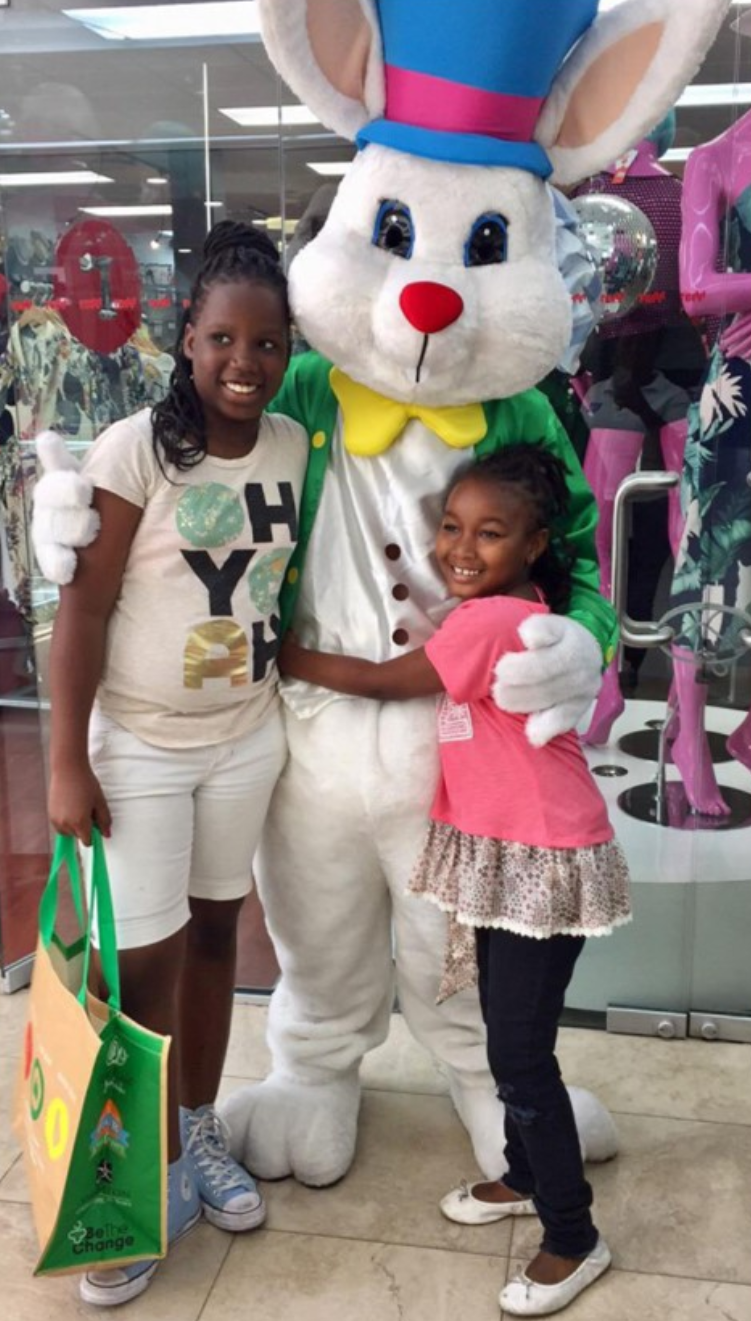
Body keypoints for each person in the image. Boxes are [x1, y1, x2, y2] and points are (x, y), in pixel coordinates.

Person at [278, 444, 632, 1318]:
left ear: (535, 542)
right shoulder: (517, 604)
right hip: (519, 848)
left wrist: (288, 654)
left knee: (518, 1052)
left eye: (490, 532)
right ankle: (518, 1173)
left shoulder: (484, 620)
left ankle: (572, 1235)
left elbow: (381, 677)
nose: (459, 548)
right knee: (510, 1032)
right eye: (449, 526)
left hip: (537, 856)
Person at [46, 220, 308, 1307]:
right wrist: (67, 759)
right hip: (142, 747)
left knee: (214, 937)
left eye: (267, 344)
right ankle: (132, 1183)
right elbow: (85, 608)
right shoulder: (133, 451)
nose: (244, 365)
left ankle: (198, 1136)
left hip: (245, 737)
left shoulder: (295, 443)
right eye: (221, 341)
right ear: (184, 338)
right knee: (140, 973)